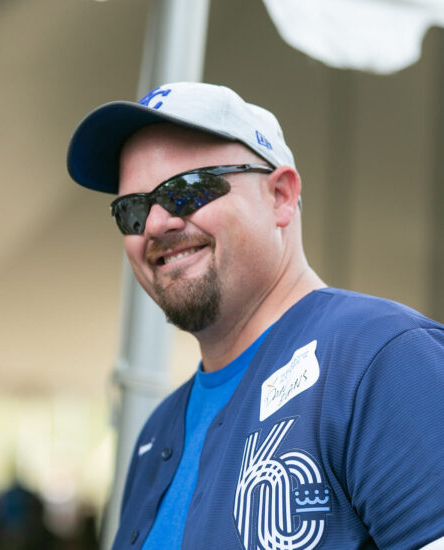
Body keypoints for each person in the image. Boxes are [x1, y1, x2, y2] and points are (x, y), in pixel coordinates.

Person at [67, 82, 444, 550]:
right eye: (133, 210)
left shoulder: (382, 361)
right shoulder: (156, 433)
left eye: (188, 189)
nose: (158, 223)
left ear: (281, 196)